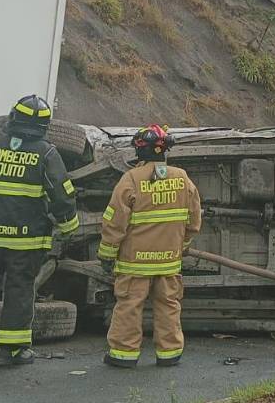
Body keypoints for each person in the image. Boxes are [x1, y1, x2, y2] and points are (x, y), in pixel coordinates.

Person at [0, 95, 78, 366]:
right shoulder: (46, 153)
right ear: (45, 125)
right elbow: (62, 194)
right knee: (19, 290)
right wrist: (69, 227)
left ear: (12, 118)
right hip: (26, 241)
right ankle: (10, 351)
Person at [99, 125, 201, 369]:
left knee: (129, 306)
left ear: (139, 150)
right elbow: (194, 219)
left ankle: (123, 354)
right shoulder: (182, 178)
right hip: (169, 261)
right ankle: (170, 354)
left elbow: (115, 221)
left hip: (135, 262)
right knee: (168, 305)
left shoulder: (131, 179)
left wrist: (107, 254)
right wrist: (181, 246)